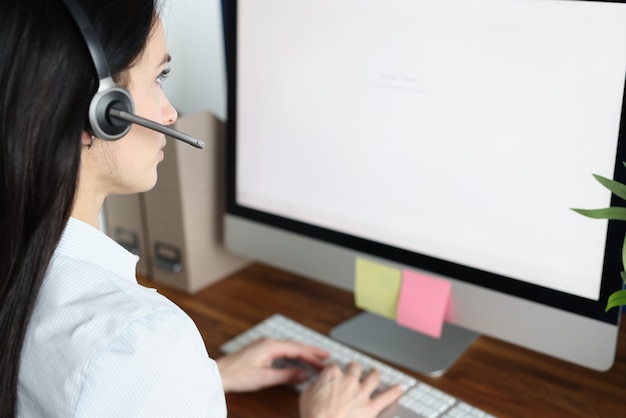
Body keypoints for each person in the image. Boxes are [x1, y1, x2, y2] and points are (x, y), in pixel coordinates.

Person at [0, 1, 404, 417]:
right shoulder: (139, 343)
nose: (170, 113)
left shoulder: (23, 270)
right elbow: (118, 370)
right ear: (101, 114)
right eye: (158, 78)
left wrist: (202, 379)